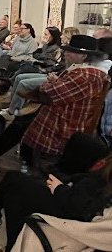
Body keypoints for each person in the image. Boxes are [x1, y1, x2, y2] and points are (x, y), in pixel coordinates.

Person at [21, 35, 110, 170]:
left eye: (71, 51)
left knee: (24, 120)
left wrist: (51, 82)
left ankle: (36, 171)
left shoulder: (84, 75)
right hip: (66, 117)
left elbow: (49, 93)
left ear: (83, 56)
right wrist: (55, 83)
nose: (66, 53)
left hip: (62, 127)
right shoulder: (89, 73)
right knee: (23, 120)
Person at [0, 152, 112, 251]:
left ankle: (12, 241)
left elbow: (79, 206)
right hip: (76, 203)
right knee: (17, 180)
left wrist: (59, 188)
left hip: (72, 216)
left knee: (15, 183)